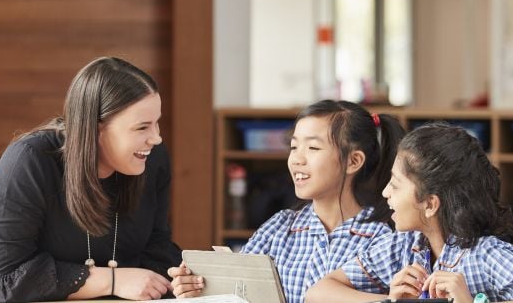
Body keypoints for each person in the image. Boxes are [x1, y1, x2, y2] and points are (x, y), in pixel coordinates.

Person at [305, 123, 513, 303]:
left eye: (396, 184)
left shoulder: (483, 254)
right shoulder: (400, 246)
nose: (385, 192)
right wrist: (388, 301)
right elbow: (318, 293)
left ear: (430, 204)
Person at [0, 56, 182, 302]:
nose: (156, 138)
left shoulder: (153, 160)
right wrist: (112, 280)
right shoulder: (29, 162)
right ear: (95, 129)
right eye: (142, 127)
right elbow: (0, 285)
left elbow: (156, 247)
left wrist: (178, 278)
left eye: (157, 123)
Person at [169, 100, 406, 303]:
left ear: (353, 161)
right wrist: (200, 287)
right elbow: (237, 291)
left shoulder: (382, 239)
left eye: (313, 147)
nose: (296, 159)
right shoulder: (279, 228)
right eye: (294, 147)